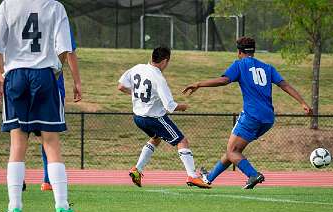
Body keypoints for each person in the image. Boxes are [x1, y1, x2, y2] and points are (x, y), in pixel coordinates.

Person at [0, 0, 81, 212]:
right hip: (43, 74)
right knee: (51, 143)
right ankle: (62, 207)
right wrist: (55, 70)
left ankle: (14, 208)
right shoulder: (55, 6)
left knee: (17, 144)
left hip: (16, 75)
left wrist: (2, 72)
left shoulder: (7, 4)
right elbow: (64, 48)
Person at [183, 37, 312, 189]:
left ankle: (253, 174)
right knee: (234, 151)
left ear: (239, 52)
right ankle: (208, 178)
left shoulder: (239, 64)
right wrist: (303, 103)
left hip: (251, 116)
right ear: (253, 50)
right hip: (268, 119)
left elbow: (224, 80)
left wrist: (198, 84)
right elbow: (284, 85)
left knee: (232, 151)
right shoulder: (268, 67)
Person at [118, 46, 211, 189]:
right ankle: (192, 176)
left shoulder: (138, 68)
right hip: (154, 118)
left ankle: (137, 169)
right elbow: (170, 106)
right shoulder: (158, 78)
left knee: (156, 138)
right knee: (182, 141)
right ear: (165, 61)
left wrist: (137, 95)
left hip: (138, 117)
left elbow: (121, 86)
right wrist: (183, 106)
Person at [18, 29, 81, 192]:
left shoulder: (19, 14)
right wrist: (77, 82)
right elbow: (69, 51)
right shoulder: (57, 16)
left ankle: (18, 180)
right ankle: (48, 182)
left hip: (23, 79)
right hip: (50, 82)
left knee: (20, 135)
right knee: (49, 136)